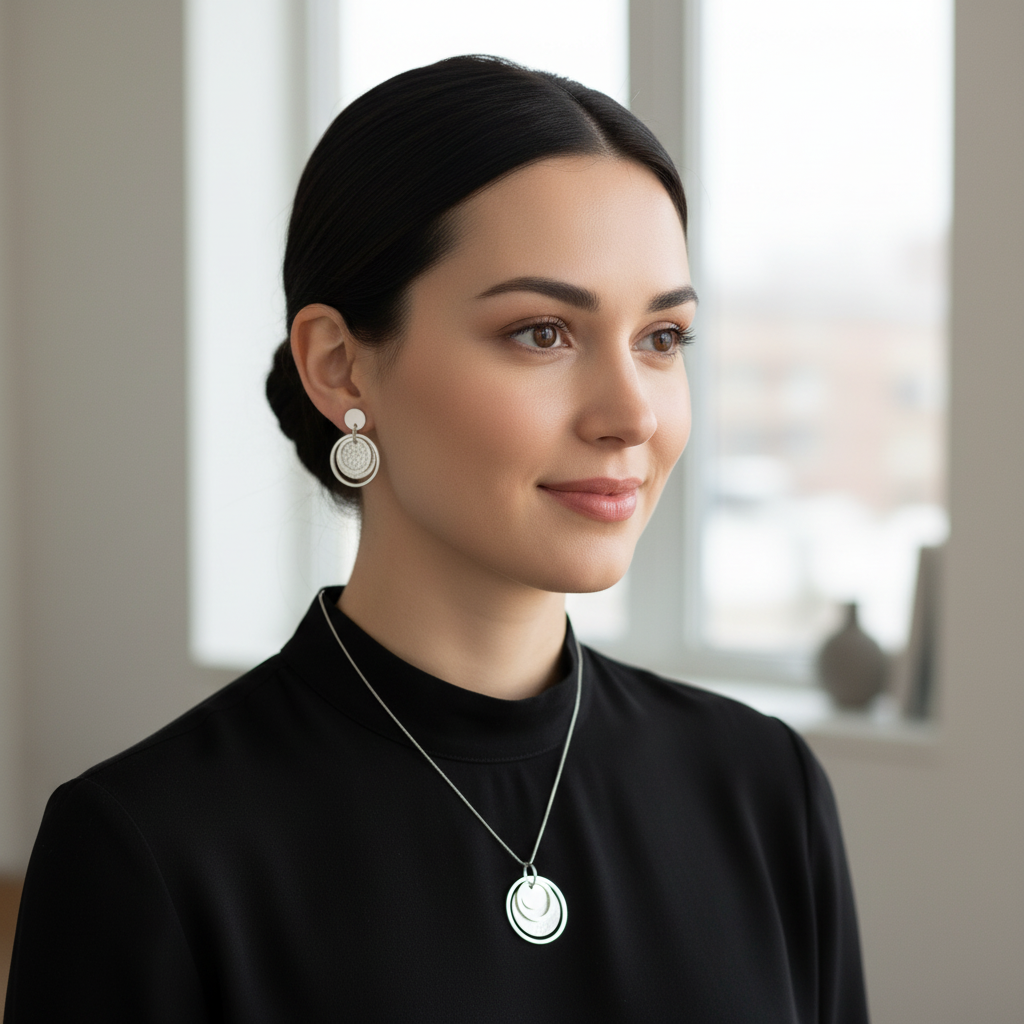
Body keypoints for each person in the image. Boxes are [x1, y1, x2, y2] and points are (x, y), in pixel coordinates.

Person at [4, 56, 868, 1022]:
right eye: (542, 332)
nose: (631, 415)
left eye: (662, 339)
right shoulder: (148, 850)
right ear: (341, 368)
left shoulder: (762, 789)